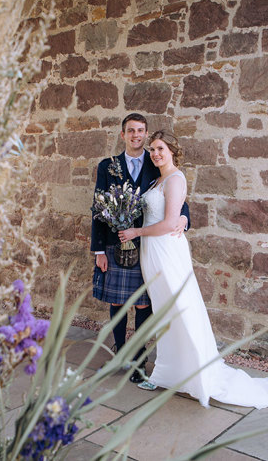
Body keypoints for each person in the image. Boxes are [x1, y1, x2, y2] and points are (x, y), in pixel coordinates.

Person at [118, 130, 268, 410]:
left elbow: (172, 222)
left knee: (181, 309)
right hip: (152, 253)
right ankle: (168, 373)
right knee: (165, 313)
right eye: (153, 149)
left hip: (167, 252)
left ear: (172, 151)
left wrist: (137, 231)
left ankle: (197, 375)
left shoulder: (175, 178)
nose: (156, 153)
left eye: (161, 148)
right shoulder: (156, 179)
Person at [91, 113, 190, 383]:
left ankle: (138, 360)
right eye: (131, 130)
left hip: (146, 245)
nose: (136, 135)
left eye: (141, 131)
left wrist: (184, 218)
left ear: (146, 135)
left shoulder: (156, 161)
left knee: (144, 305)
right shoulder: (107, 166)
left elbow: (177, 197)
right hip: (115, 243)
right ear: (123, 135)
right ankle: (120, 354)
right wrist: (99, 250)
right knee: (117, 302)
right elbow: (97, 209)